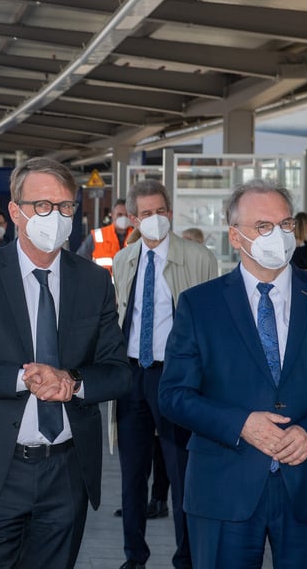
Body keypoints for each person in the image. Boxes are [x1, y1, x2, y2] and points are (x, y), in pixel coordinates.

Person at [0, 156, 131, 569]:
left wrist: (72, 382)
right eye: (42, 205)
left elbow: (118, 372)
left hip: (66, 473)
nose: (54, 216)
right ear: (15, 211)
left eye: (64, 207)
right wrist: (23, 378)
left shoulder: (93, 281)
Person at [159, 179, 307, 568]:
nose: (279, 236)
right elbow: (174, 395)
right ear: (236, 237)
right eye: (263, 227)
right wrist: (241, 424)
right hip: (224, 487)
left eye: (285, 225)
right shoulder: (199, 305)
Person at [111, 180, 218, 569]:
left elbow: (212, 323)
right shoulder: (125, 259)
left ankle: (185, 558)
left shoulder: (197, 257)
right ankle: (133, 557)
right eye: (146, 214)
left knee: (181, 471)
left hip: (176, 379)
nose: (154, 219)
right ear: (133, 219)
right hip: (132, 376)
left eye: (161, 211)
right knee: (132, 473)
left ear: (170, 212)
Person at [77, 199, 133, 273]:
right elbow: (79, 261)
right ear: (112, 215)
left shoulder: (137, 237)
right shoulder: (97, 236)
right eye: (120, 214)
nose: (123, 218)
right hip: (100, 283)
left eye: (126, 215)